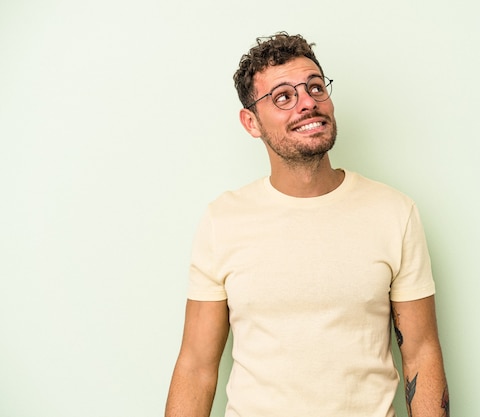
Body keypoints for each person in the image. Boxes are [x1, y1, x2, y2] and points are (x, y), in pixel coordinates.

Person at [165, 32, 449, 417]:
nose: (307, 103)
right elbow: (196, 367)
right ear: (251, 122)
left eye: (316, 88)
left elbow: (421, 354)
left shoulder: (394, 212)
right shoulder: (223, 220)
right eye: (283, 96)